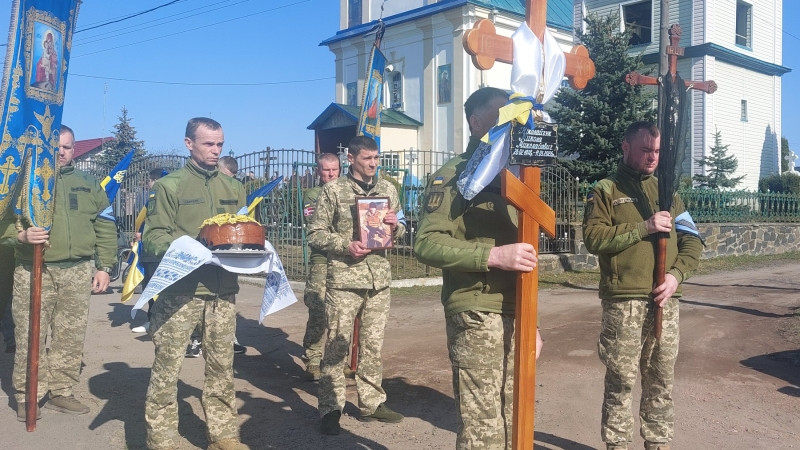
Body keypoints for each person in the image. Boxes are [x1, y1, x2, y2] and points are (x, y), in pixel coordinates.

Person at [414, 87, 543, 449]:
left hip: (516, 311)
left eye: (513, 114)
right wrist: (492, 255)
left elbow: (526, 255)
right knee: (483, 430)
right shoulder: (456, 176)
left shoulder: (517, 177)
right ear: (476, 122)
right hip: (476, 310)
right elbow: (426, 242)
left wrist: (532, 322)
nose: (511, 121)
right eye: (502, 113)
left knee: (517, 418)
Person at [583, 121, 702, 450]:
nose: (653, 157)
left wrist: (675, 276)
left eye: (658, 150)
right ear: (626, 147)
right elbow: (593, 238)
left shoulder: (670, 193)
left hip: (666, 302)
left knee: (661, 382)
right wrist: (643, 227)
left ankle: (658, 444)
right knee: (621, 383)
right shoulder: (606, 191)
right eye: (646, 149)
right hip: (624, 305)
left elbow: (693, 243)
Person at [142, 117, 249, 450]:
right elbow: (154, 237)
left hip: (222, 292)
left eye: (220, 144)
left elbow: (242, 228)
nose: (216, 150)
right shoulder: (169, 186)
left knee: (221, 368)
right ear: (189, 144)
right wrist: (192, 246)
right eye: (208, 144)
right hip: (180, 292)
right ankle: (161, 439)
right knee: (167, 370)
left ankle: (224, 435)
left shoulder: (233, 187)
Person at [0, 124, 116, 421]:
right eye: (55, 147)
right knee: (30, 336)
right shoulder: (21, 183)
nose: (61, 152)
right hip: (33, 270)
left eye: (67, 147)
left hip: (77, 270)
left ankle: (61, 391)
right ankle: (29, 396)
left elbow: (104, 225)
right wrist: (21, 237)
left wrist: (104, 267)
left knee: (70, 336)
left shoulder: (88, 183)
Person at [307, 136, 406, 435]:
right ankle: (330, 408)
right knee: (337, 346)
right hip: (345, 280)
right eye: (368, 158)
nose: (374, 164)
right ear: (351, 159)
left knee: (373, 346)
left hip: (378, 280)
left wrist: (394, 226)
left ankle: (372, 402)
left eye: (377, 158)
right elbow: (316, 234)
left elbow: (400, 228)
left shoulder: (388, 189)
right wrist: (345, 245)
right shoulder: (333, 191)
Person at [299, 152, 341, 381]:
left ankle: (336, 359)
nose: (331, 173)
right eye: (326, 170)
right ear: (318, 171)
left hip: (344, 262)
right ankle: (313, 358)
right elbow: (317, 226)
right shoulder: (313, 195)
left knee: (341, 314)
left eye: (335, 169)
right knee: (318, 311)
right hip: (321, 262)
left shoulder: (346, 192)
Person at [131, 168, 168, 334]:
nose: (148, 184)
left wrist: (144, 233)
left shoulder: (165, 198)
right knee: (149, 285)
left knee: (157, 287)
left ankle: (157, 322)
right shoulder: (151, 199)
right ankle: (152, 319)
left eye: (150, 180)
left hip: (159, 250)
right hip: (148, 248)